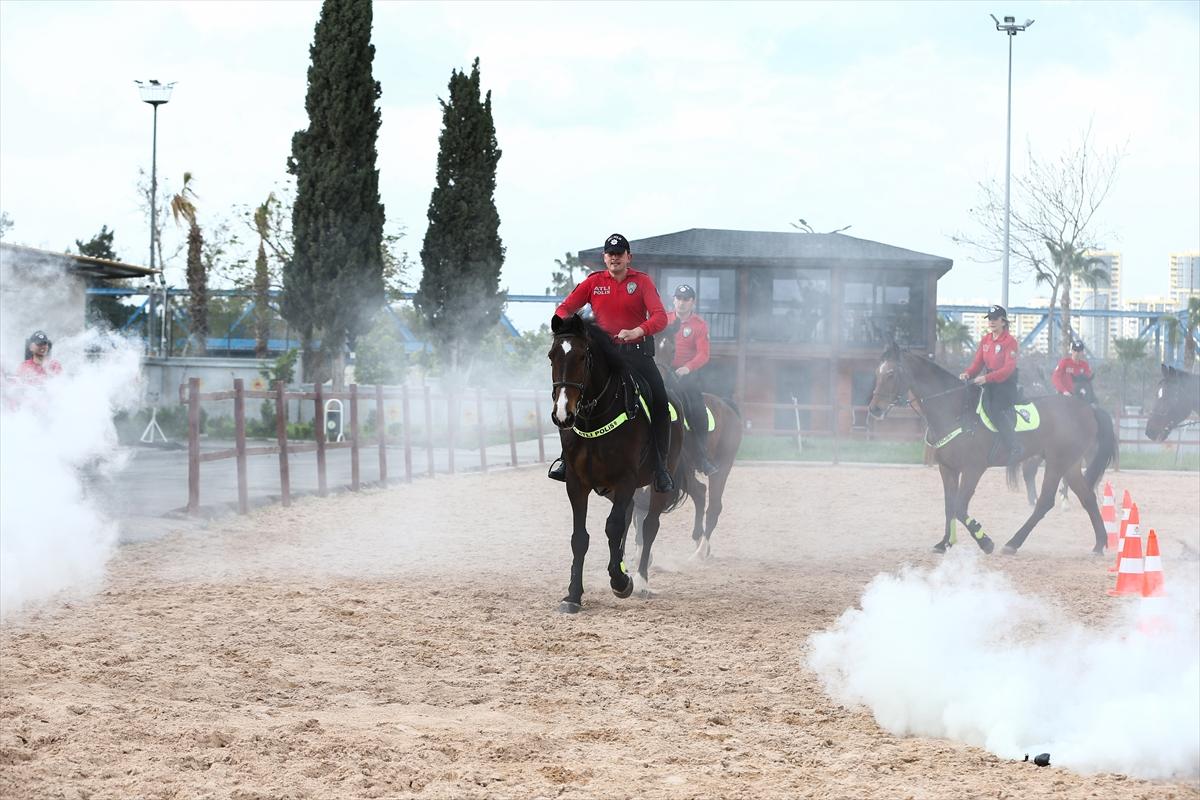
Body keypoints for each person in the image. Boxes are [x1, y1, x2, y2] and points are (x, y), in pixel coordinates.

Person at [547, 233, 675, 493]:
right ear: (604, 258)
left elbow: (660, 317)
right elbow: (564, 308)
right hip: (603, 357)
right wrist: (565, 326)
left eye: (619, 253)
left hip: (637, 355)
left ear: (629, 257)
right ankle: (565, 459)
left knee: (660, 402)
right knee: (571, 393)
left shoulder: (642, 282)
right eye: (610, 254)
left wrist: (638, 330)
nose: (614, 258)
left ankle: (660, 467)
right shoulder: (594, 282)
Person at [665, 284, 718, 476]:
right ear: (673, 300)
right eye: (679, 298)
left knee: (697, 409)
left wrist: (687, 367)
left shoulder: (699, 325)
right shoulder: (664, 320)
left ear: (692, 302)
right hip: (663, 371)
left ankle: (702, 457)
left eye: (686, 299)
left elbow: (704, 354)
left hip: (686, 375)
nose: (682, 303)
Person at [959, 305, 1021, 466]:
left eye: (995, 319)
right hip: (988, 382)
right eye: (990, 319)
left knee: (993, 408)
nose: (991, 322)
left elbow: (1008, 369)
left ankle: (1014, 446)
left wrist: (987, 378)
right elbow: (977, 363)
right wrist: (968, 374)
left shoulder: (1010, 342)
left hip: (1005, 385)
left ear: (1003, 321)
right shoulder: (986, 340)